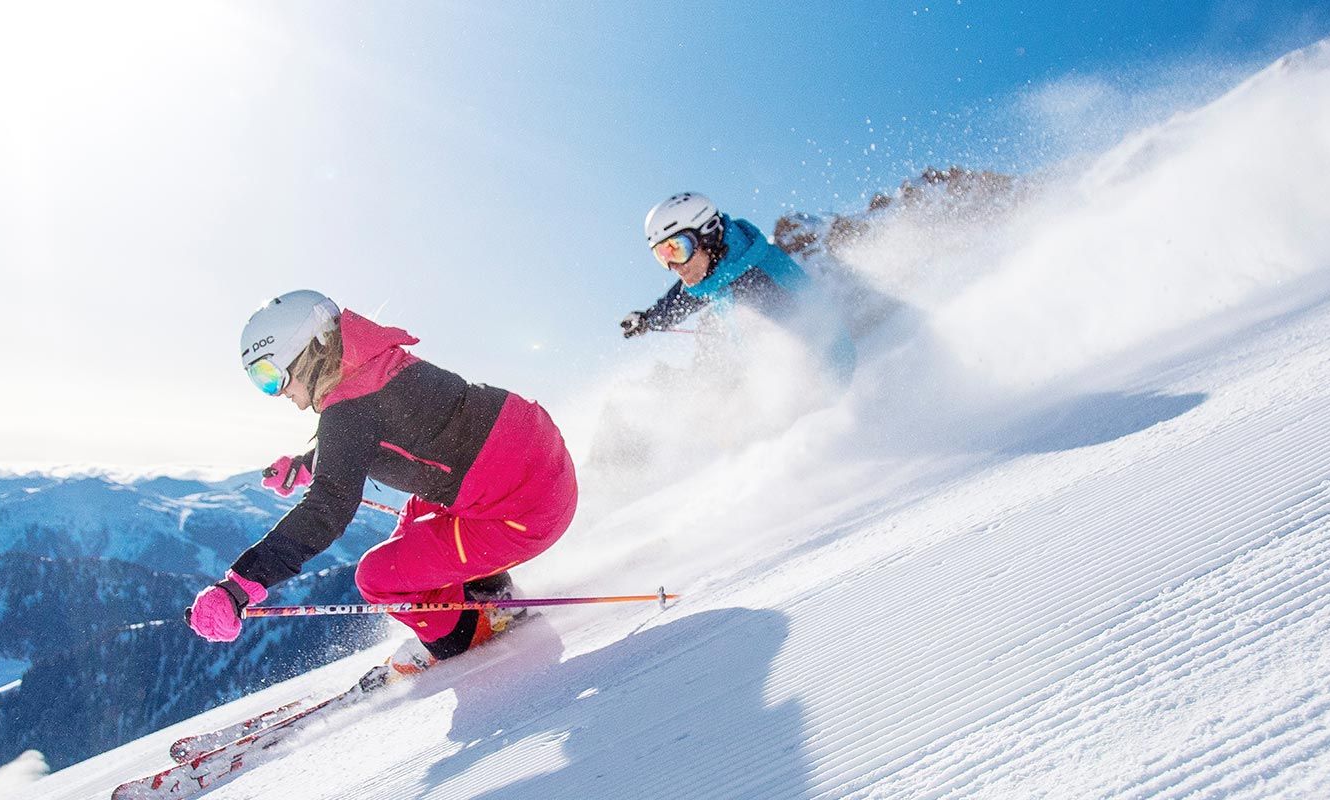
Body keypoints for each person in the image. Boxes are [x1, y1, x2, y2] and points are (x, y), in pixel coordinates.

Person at [186, 290, 578, 687]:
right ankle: (488, 592)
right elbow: (393, 429)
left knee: (378, 577)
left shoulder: (349, 411)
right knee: (413, 519)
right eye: (261, 381)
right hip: (540, 464)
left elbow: (327, 509)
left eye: (270, 375)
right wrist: (311, 466)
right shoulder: (376, 361)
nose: (278, 391)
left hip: (525, 512)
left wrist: (238, 586)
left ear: (309, 353)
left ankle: (465, 632)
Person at [619, 192, 858, 373]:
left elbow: (829, 348)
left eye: (678, 249)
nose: (675, 266)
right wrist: (648, 319)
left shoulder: (758, 281)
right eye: (663, 255)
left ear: (709, 233)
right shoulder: (718, 271)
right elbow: (682, 298)